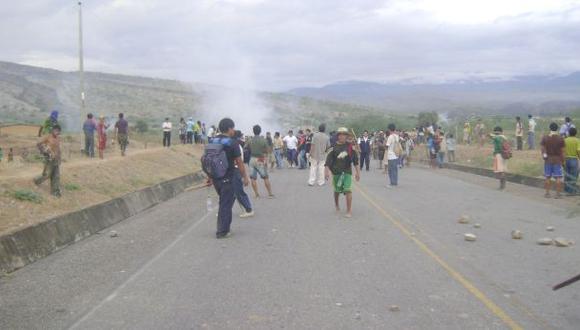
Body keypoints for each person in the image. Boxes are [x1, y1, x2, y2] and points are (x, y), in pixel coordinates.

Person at [210, 118, 249, 239]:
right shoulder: (232, 143)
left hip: (216, 178)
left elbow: (209, 160)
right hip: (228, 177)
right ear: (229, 129)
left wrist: (209, 176)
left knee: (224, 202)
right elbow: (239, 162)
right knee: (226, 204)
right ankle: (222, 231)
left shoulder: (213, 141)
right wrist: (245, 177)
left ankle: (222, 226)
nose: (234, 130)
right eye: (233, 128)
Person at [325, 127, 360, 218]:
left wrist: (357, 172)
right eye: (341, 134)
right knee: (337, 191)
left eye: (345, 135)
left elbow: (355, 161)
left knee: (348, 190)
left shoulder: (350, 146)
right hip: (336, 172)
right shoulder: (332, 147)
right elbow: (328, 161)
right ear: (338, 136)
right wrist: (326, 172)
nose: (343, 136)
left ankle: (348, 211)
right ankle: (337, 205)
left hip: (347, 172)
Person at [246, 125, 275, 199]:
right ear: (260, 131)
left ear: (253, 131)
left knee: (253, 178)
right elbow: (268, 151)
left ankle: (256, 195)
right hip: (260, 159)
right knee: (265, 177)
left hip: (252, 159)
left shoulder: (250, 140)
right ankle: (270, 194)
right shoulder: (263, 140)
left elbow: (246, 148)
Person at [34, 125, 62, 197]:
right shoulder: (47, 137)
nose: (57, 132)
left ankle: (55, 192)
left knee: (56, 176)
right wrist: (45, 151)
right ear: (52, 130)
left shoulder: (58, 138)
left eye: (58, 131)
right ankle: (36, 181)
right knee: (47, 175)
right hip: (49, 159)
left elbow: (58, 149)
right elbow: (38, 143)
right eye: (55, 130)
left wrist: (59, 159)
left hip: (56, 160)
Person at [233, 130, 254, 218]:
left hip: (236, 170)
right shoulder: (235, 145)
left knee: (238, 192)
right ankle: (224, 210)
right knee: (230, 193)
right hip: (233, 170)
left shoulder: (236, 146)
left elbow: (239, 161)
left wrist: (245, 176)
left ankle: (249, 209)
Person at [541, 123, 565, 198]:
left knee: (547, 177)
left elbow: (542, 149)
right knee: (558, 177)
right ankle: (557, 194)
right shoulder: (561, 138)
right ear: (557, 128)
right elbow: (563, 151)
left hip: (548, 160)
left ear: (550, 128)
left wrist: (544, 156)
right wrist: (563, 161)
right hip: (557, 160)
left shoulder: (545, 138)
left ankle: (547, 193)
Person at [563, 127, 580, 195]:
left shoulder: (565, 140)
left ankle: (566, 190)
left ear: (569, 133)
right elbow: (578, 150)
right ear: (576, 133)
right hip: (574, 159)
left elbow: (563, 151)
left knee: (567, 175)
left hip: (566, 159)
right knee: (573, 176)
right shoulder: (577, 140)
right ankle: (571, 191)